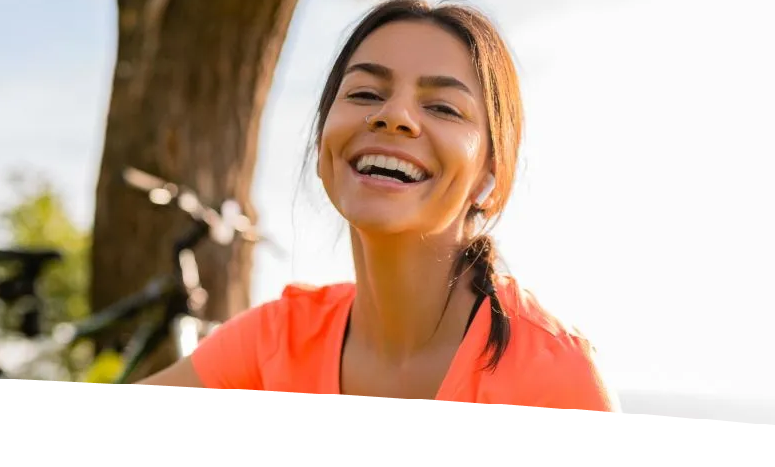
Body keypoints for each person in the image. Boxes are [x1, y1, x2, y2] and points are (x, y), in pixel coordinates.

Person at [139, 0, 619, 412]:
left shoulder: (559, 378)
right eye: (365, 93)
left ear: (490, 177)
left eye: (444, 107)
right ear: (325, 143)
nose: (393, 116)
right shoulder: (272, 341)